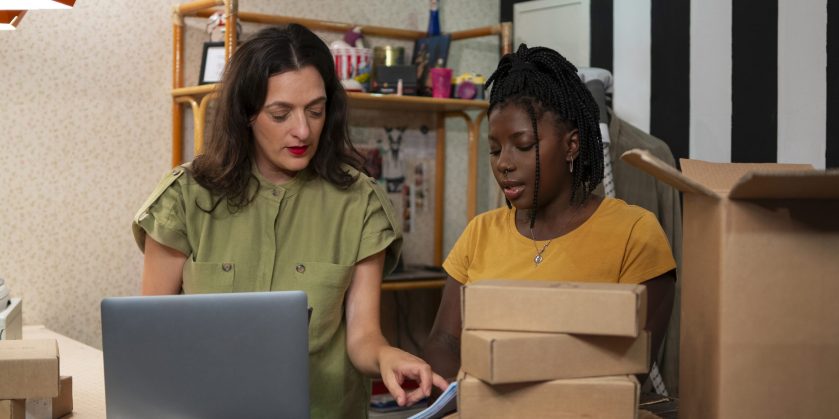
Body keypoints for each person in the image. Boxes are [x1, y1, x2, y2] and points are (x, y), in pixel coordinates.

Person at [132, 24, 447, 418]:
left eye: (315, 111)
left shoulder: (360, 202)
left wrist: (386, 357)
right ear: (245, 114)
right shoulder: (185, 198)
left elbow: (363, 336)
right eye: (281, 114)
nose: (302, 130)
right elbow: (151, 336)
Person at [422, 44, 676, 382]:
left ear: (571, 144)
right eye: (495, 149)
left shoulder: (634, 233)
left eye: (523, 146)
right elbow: (443, 342)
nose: (504, 163)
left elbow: (632, 367)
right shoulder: (479, 232)